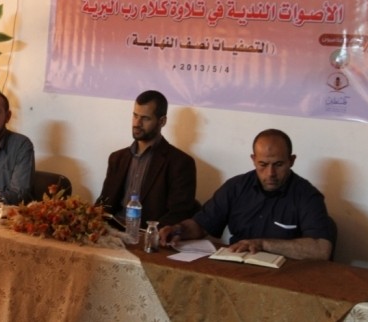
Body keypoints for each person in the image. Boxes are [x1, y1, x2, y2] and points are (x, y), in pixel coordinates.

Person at [159, 129, 334, 260]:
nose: (270, 173)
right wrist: (178, 230)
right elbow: (201, 224)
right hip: (237, 266)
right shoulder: (236, 187)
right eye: (263, 164)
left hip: (285, 275)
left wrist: (263, 244)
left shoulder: (307, 196)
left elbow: (321, 250)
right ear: (253, 160)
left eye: (278, 164)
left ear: (291, 161)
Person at [96, 90, 197, 228]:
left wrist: (151, 234)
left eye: (145, 118)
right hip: (112, 230)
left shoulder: (180, 163)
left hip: (147, 234)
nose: (137, 123)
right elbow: (104, 203)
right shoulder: (117, 158)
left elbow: (179, 213)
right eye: (135, 115)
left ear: (162, 121)